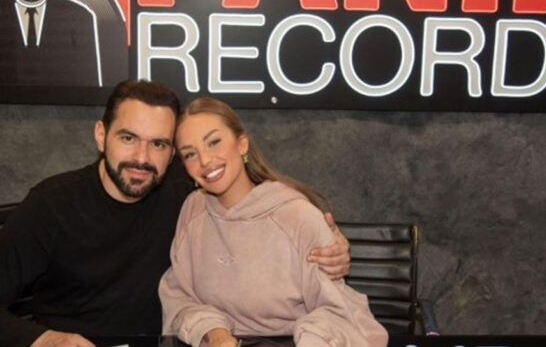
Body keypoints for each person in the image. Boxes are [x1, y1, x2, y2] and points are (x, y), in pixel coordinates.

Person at [0, 80, 351, 347]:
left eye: (158, 144)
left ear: (172, 155)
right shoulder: (51, 204)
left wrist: (328, 245)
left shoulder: (189, 195)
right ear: (101, 135)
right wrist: (43, 338)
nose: (142, 158)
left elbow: (255, 205)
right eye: (128, 138)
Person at [159, 97, 388, 347]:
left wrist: (312, 340)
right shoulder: (193, 210)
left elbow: (339, 314)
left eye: (214, 142)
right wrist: (214, 332)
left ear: (242, 144)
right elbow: (179, 296)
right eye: (190, 154)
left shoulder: (298, 217)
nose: (204, 160)